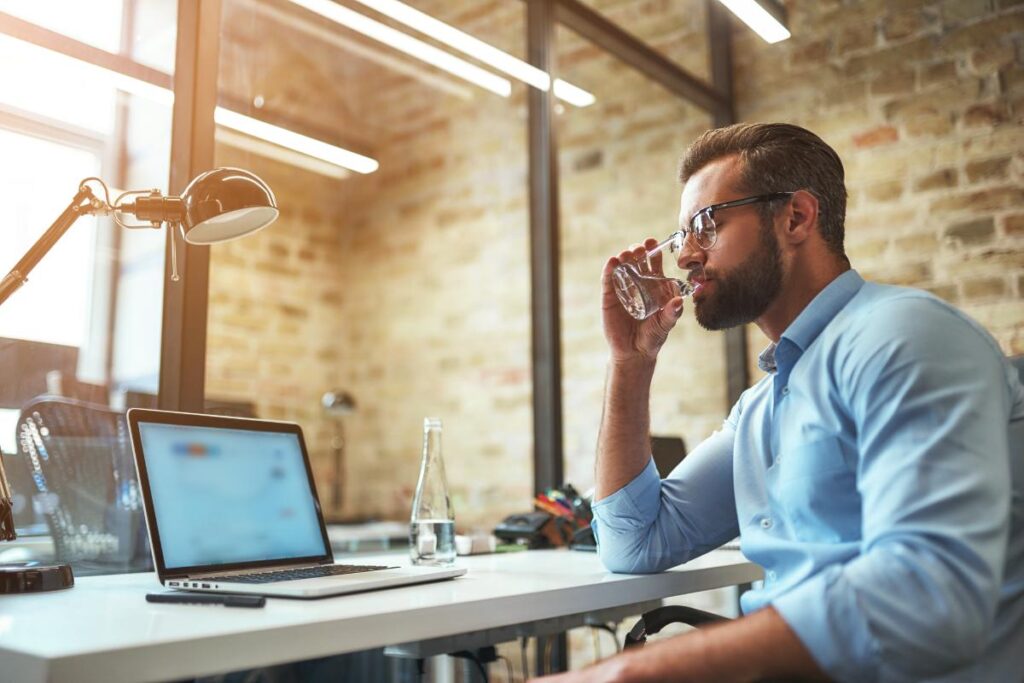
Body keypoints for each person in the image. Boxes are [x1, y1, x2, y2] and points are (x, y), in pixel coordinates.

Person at [535, 123, 1024, 682]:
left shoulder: (903, 337)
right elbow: (633, 543)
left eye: (706, 225)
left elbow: (930, 598)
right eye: (682, 236)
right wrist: (630, 362)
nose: (688, 256)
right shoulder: (764, 406)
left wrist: (629, 673)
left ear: (795, 217)